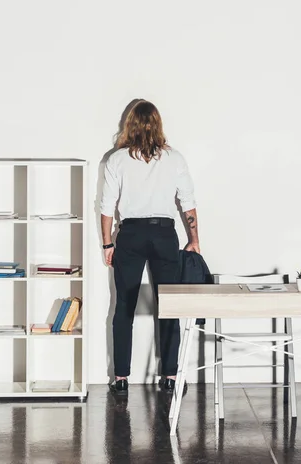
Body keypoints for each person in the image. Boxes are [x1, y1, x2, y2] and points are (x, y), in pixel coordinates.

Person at [100, 100, 200, 395]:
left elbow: (107, 207)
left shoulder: (116, 159)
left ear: (128, 124)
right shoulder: (174, 158)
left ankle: (120, 379)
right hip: (163, 233)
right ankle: (169, 375)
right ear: (158, 124)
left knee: (124, 306)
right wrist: (194, 241)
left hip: (130, 234)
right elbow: (188, 202)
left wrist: (107, 243)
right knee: (168, 306)